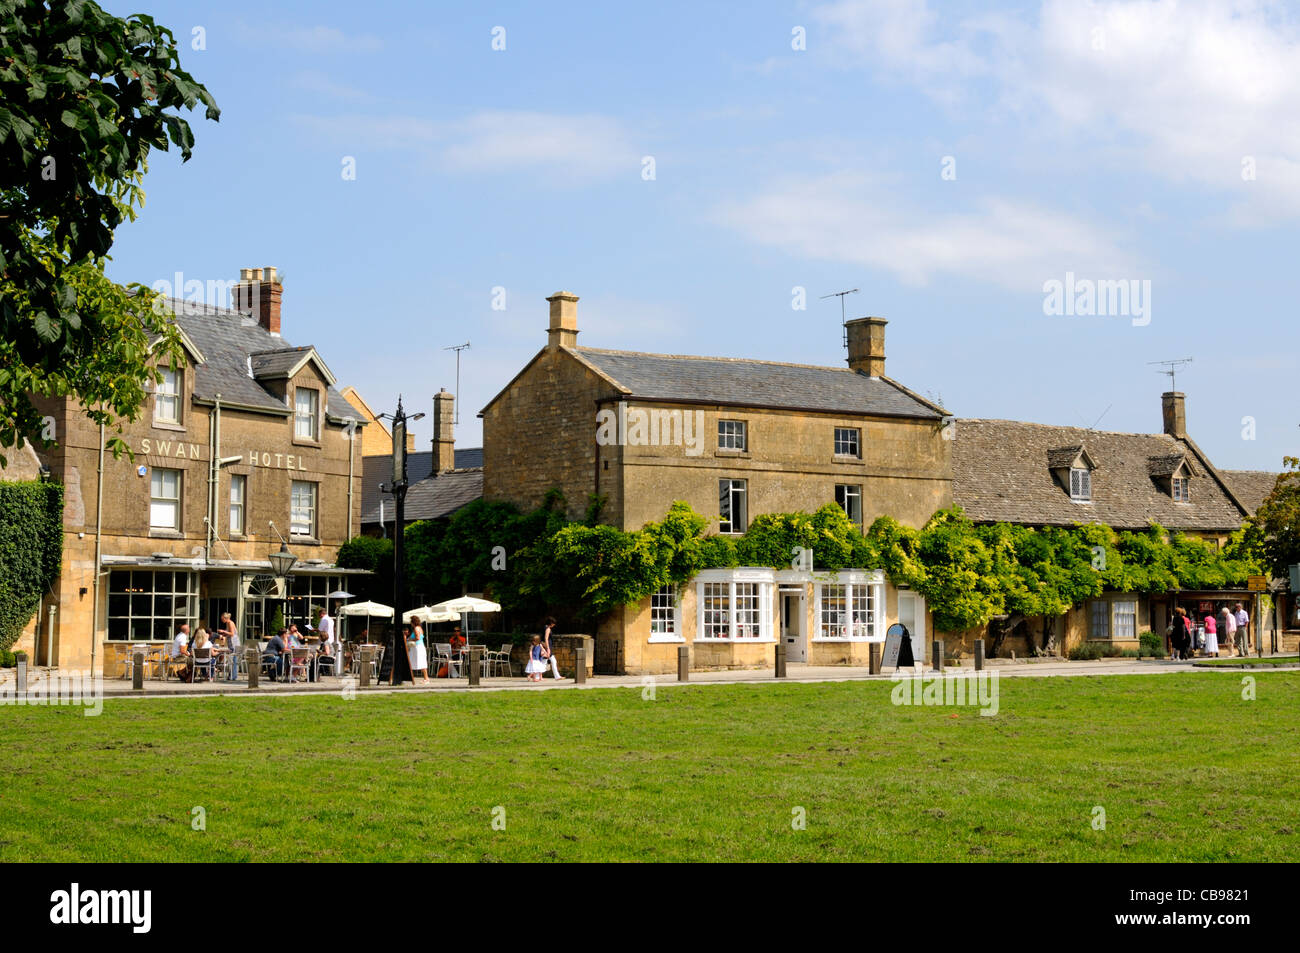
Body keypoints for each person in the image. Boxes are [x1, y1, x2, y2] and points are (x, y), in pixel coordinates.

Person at [219, 611, 240, 681]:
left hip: (234, 644)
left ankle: (233, 676)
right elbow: (229, 634)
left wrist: (223, 631)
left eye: (222, 619)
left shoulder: (230, 623)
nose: (222, 620)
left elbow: (232, 633)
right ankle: (232, 676)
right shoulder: (228, 623)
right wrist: (224, 635)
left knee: (233, 660)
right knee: (233, 660)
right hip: (231, 644)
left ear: (226, 618)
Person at [542, 616, 563, 680]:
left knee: (548, 661)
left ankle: (557, 676)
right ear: (551, 623)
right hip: (547, 647)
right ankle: (535, 675)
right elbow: (546, 638)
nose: (554, 625)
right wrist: (548, 648)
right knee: (546, 662)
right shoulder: (548, 629)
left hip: (546, 646)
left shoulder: (544, 627)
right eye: (553, 623)